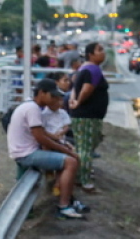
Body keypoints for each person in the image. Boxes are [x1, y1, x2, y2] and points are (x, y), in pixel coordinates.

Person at [8, 80, 85, 219]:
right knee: (71, 162)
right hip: (26, 154)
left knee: (64, 156)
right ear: (42, 93)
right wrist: (67, 151)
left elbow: (42, 132)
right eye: (52, 96)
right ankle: (64, 206)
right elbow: (41, 138)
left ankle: (61, 193)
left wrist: (60, 143)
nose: (56, 99)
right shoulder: (33, 109)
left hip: (22, 151)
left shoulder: (29, 105)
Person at [68, 42, 109, 193]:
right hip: (87, 116)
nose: (103, 52)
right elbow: (86, 89)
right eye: (100, 50)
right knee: (85, 149)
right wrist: (78, 101)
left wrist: (74, 100)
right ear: (90, 54)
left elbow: (75, 87)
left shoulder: (84, 68)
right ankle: (84, 181)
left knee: (84, 146)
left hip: (86, 115)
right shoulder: (93, 69)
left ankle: (80, 175)